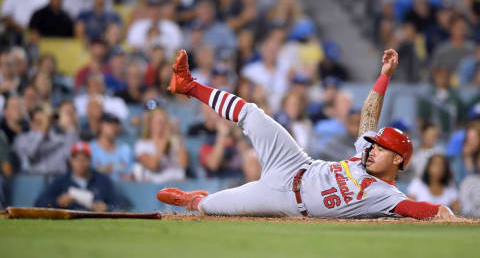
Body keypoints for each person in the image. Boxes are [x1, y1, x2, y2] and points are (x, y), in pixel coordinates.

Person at [157, 49, 456, 220]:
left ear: (398, 161)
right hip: (296, 164)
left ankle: (192, 199)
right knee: (253, 115)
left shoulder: (385, 196)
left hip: (285, 200)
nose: (372, 149)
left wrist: (446, 214)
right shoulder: (362, 157)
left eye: (382, 149)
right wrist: (384, 75)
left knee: (209, 208)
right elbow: (368, 114)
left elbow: (422, 209)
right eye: (375, 145)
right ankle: (188, 85)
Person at [35, 142, 117, 211]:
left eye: (85, 159)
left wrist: (107, 207)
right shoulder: (61, 180)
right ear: (71, 161)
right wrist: (57, 202)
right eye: (77, 159)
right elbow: (39, 202)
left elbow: (119, 204)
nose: (81, 163)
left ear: (90, 160)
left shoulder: (102, 180)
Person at [133, 99, 187, 184]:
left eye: (164, 121)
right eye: (158, 122)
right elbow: (153, 165)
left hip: (177, 183)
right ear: (150, 123)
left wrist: (177, 134)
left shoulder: (175, 140)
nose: (162, 125)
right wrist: (164, 140)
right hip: (155, 187)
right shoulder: (142, 144)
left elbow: (183, 164)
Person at [90, 113, 133, 181]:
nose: (113, 127)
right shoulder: (90, 148)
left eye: (116, 124)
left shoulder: (125, 150)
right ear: (101, 125)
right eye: (109, 123)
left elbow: (129, 174)